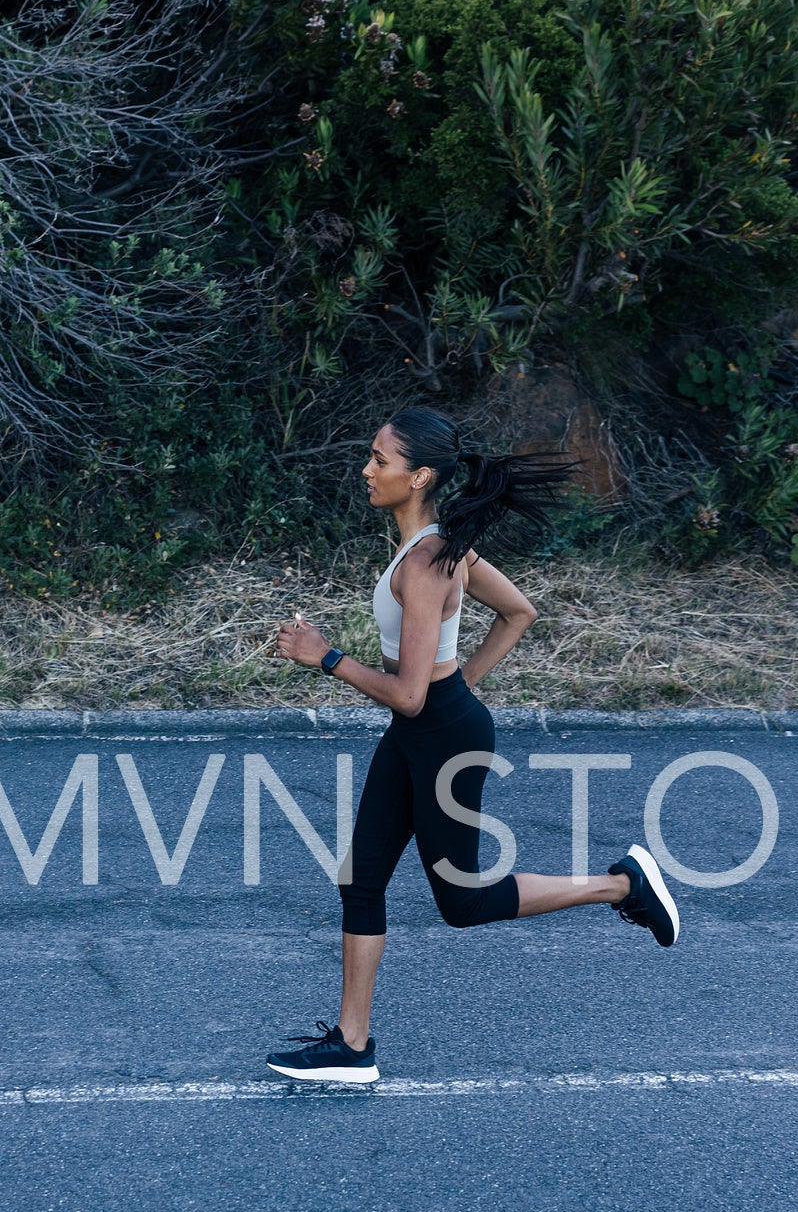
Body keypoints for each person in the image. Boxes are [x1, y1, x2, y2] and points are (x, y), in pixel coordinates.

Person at [267, 407, 679, 1082]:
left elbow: (408, 694)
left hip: (435, 733)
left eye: (380, 460)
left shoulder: (428, 561)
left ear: (419, 475)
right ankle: (350, 1044)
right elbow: (519, 613)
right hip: (432, 728)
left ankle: (620, 885)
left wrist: (326, 657)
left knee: (461, 903)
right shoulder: (436, 545)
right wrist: (457, 690)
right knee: (359, 877)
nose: (366, 471)